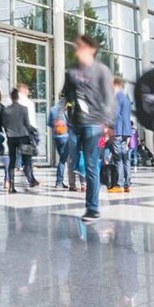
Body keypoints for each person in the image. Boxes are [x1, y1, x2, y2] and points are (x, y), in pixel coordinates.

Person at [62, 34, 115, 222]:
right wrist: (61, 116)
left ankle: (92, 208)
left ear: (92, 49)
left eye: (82, 47)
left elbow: (109, 98)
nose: (78, 50)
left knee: (92, 166)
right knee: (74, 161)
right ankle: (80, 171)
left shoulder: (101, 71)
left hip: (93, 124)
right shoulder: (72, 72)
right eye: (77, 47)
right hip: (75, 124)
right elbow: (66, 95)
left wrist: (107, 123)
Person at [2, 87, 39, 193]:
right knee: (27, 160)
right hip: (23, 137)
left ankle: (11, 185)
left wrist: (8, 132)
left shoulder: (6, 110)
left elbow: (4, 124)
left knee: (12, 161)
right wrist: (33, 132)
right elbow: (27, 124)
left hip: (11, 138)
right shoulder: (24, 108)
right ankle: (29, 179)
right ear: (17, 97)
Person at [109, 77, 133, 194]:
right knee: (125, 159)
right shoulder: (126, 98)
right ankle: (127, 184)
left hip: (118, 131)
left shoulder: (117, 97)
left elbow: (115, 114)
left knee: (118, 159)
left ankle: (118, 185)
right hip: (126, 132)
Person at [48, 96, 71, 189]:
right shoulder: (66, 109)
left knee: (62, 159)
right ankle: (59, 181)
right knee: (63, 160)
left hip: (56, 137)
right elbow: (71, 123)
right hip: (66, 137)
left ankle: (60, 181)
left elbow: (49, 123)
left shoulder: (52, 109)